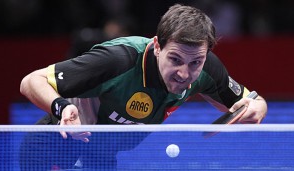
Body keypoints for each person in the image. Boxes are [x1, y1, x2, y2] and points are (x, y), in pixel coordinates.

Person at [19, 4, 267, 170]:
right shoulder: (118, 60)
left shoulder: (207, 69)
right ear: (158, 46)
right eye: (175, 59)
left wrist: (258, 108)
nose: (184, 73)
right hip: (55, 147)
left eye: (195, 62)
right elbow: (31, 81)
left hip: (101, 156)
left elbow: (251, 101)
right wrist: (61, 108)